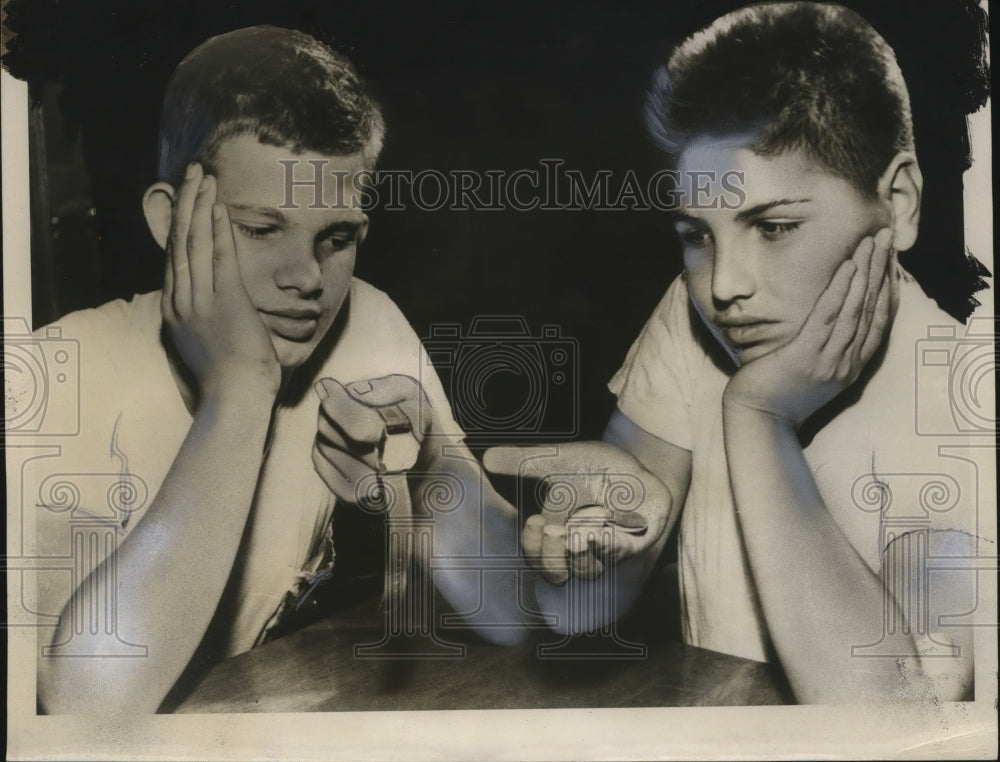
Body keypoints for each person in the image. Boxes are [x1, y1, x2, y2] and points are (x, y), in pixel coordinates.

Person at [29, 25, 551, 714]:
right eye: (261, 229)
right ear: (169, 218)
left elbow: (518, 616)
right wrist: (240, 390)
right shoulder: (54, 376)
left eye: (336, 238)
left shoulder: (364, 325)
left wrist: (431, 476)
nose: (307, 278)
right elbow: (82, 712)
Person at [486, 1, 988, 703]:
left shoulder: (963, 408)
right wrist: (582, 559)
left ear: (899, 202)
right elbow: (583, 612)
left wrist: (758, 415)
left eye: (775, 226)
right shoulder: (695, 320)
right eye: (697, 234)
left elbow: (894, 720)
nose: (724, 284)